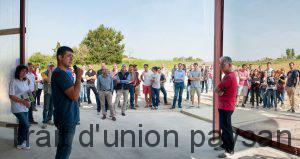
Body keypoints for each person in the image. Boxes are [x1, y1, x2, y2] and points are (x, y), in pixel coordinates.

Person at [51, 46, 82, 159]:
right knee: (65, 149)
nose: (71, 59)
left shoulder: (63, 73)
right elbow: (74, 95)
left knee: (63, 147)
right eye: (68, 56)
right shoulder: (60, 73)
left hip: (67, 116)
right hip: (66, 117)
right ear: (60, 57)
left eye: (72, 56)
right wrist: (78, 77)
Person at [214, 56, 237, 158]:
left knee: (227, 128)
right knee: (224, 127)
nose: (221, 67)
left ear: (230, 65)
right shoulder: (227, 75)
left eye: (223, 65)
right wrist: (218, 89)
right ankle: (224, 145)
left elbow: (218, 91)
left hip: (227, 107)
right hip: (223, 106)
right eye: (220, 65)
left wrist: (218, 89)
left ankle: (229, 149)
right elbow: (218, 91)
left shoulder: (229, 77)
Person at [9, 65, 31, 150]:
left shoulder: (25, 81)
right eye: (23, 71)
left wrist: (29, 102)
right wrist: (23, 101)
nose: (24, 73)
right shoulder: (13, 81)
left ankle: (21, 143)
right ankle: (21, 141)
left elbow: (27, 93)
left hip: (25, 107)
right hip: (17, 108)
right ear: (18, 71)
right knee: (26, 124)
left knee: (23, 125)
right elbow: (11, 96)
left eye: (26, 71)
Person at [41, 62, 55, 129]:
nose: (52, 67)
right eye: (50, 66)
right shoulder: (43, 73)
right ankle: (44, 122)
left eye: (52, 66)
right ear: (48, 67)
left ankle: (49, 119)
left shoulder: (55, 74)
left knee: (51, 108)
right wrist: (49, 72)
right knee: (46, 108)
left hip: (53, 93)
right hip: (47, 92)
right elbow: (49, 80)